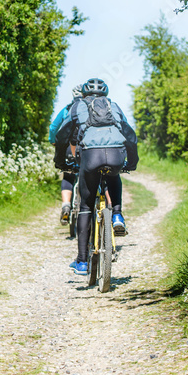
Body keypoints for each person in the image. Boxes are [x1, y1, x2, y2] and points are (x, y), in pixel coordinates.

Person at [55, 77, 138, 275]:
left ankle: (82, 262)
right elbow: (130, 134)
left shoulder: (78, 106)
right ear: (105, 94)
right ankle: (117, 214)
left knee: (85, 206)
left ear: (84, 93)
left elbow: (61, 135)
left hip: (91, 156)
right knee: (113, 176)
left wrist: (60, 161)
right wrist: (132, 162)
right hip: (116, 154)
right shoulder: (114, 106)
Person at [49, 85, 84, 223]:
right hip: (87, 149)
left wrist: (53, 141)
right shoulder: (90, 109)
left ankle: (66, 205)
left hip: (69, 148)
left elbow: (53, 127)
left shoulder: (68, 109)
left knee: (68, 176)